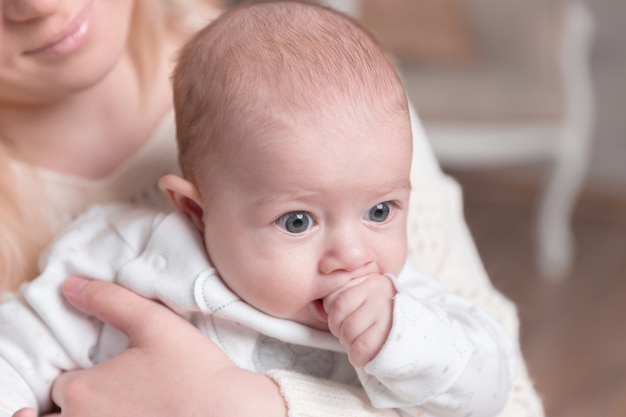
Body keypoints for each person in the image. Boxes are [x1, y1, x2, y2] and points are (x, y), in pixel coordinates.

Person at [0, 1, 545, 417]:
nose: (352, 256)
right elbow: (17, 350)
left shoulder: (405, 304)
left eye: (381, 211)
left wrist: (401, 346)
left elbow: (496, 394)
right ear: (196, 212)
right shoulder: (125, 253)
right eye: (297, 222)